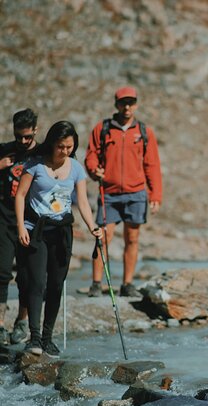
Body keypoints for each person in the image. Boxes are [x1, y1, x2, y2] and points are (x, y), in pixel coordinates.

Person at [15, 121, 103, 357]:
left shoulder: (75, 168)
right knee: (37, 283)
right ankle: (33, 338)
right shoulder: (35, 165)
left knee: (55, 284)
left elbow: (82, 202)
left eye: (69, 147)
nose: (65, 151)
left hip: (62, 231)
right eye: (61, 146)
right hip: (36, 230)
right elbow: (21, 195)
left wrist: (93, 226)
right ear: (52, 144)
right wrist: (21, 226)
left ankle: (47, 337)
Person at [85, 86, 162, 298]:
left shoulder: (144, 132)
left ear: (136, 104)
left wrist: (155, 195)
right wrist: (93, 169)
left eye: (131, 102)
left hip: (136, 193)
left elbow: (152, 165)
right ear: (116, 105)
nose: (127, 107)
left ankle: (127, 284)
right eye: (123, 103)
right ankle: (96, 283)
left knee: (132, 238)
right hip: (108, 193)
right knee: (102, 237)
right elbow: (91, 155)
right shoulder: (102, 129)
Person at [0, 109, 39, 346]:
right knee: (2, 272)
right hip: (4, 218)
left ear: (35, 130)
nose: (23, 141)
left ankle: (22, 322)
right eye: (19, 137)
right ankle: (0, 325)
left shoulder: (43, 152)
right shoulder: (4, 149)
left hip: (31, 220)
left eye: (27, 137)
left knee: (26, 274)